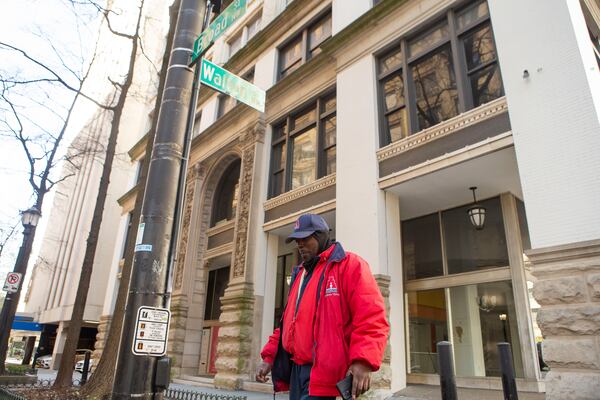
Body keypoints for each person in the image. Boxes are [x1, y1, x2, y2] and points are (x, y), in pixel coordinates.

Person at [256, 214, 389, 399]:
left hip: (327, 377)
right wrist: (269, 358)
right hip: (297, 372)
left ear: (321, 236)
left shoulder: (350, 265)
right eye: (297, 240)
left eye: (305, 238)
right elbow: (287, 324)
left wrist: (363, 361)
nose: (299, 244)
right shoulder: (300, 274)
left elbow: (372, 318)